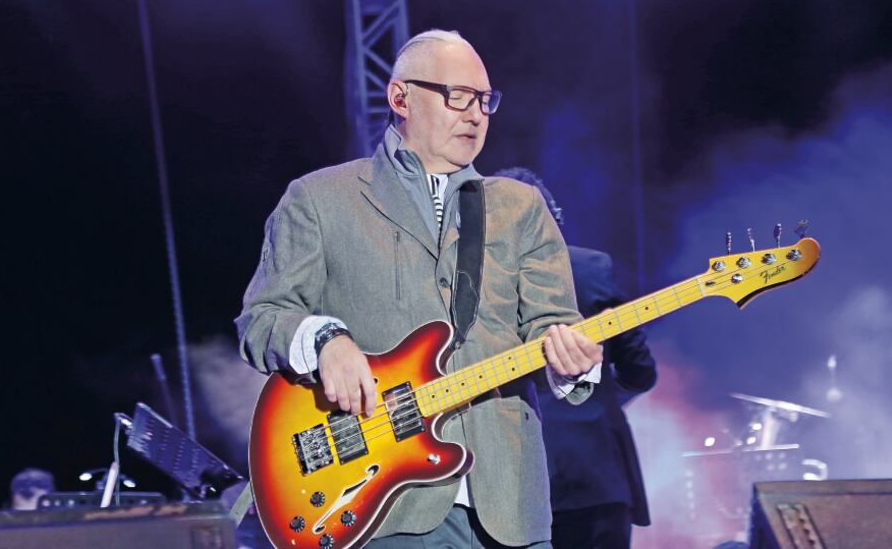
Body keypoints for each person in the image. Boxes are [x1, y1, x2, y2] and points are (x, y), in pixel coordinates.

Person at [236, 29, 602, 547]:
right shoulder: (319, 199)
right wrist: (325, 342)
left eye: (485, 100)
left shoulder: (521, 207)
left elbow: (551, 323)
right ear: (399, 97)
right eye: (458, 96)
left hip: (509, 504)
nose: (475, 114)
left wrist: (573, 360)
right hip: (380, 502)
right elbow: (263, 316)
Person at [495, 167, 657, 549]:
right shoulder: (592, 268)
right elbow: (640, 372)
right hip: (597, 473)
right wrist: (596, 396)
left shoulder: (480, 289)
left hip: (514, 481)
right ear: (554, 219)